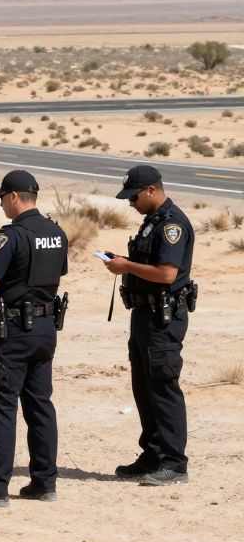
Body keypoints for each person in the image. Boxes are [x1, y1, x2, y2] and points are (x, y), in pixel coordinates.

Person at [0, 170, 68, 507]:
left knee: (1, 405)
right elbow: (54, 273)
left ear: (15, 197)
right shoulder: (56, 232)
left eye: (2, 197)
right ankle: (44, 482)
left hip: (14, 331)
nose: (2, 204)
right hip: (46, 329)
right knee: (40, 405)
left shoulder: (10, 236)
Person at [102, 165, 195, 486]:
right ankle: (153, 454)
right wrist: (124, 263)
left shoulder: (172, 225)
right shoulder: (152, 223)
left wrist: (125, 266)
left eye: (134, 196)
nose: (131, 203)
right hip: (144, 316)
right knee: (144, 388)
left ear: (152, 190)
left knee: (163, 387)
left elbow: (167, 274)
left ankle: (174, 462)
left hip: (163, 320)